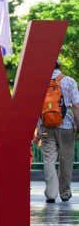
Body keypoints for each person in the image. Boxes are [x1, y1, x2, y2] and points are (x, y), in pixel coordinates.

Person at [37, 59, 79, 203]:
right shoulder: (69, 81)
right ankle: (65, 192)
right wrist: (78, 124)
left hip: (46, 126)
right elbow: (76, 106)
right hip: (66, 125)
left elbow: (36, 109)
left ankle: (51, 194)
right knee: (66, 159)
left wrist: (38, 129)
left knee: (49, 159)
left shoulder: (40, 83)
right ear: (59, 65)